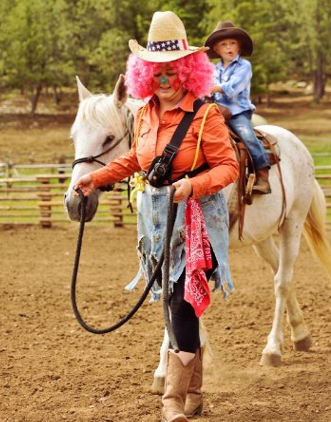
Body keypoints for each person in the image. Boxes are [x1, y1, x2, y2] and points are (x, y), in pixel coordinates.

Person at [74, 11, 239, 422]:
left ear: (188, 71)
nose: (164, 80)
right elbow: (135, 158)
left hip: (198, 220)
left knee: (183, 305)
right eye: (156, 73)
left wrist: (193, 186)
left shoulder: (206, 116)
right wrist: (97, 178)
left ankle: (171, 403)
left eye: (172, 71)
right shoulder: (145, 114)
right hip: (158, 222)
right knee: (172, 302)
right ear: (144, 76)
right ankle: (195, 394)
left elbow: (229, 168)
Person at [205, 21, 271, 194]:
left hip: (237, 112)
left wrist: (218, 88)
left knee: (247, 136)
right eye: (223, 44)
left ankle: (262, 173)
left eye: (232, 43)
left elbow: (235, 86)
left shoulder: (244, 66)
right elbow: (206, 85)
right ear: (217, 49)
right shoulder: (214, 69)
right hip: (215, 110)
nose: (228, 47)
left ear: (239, 46)